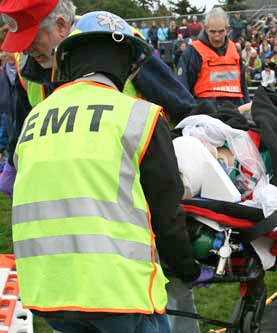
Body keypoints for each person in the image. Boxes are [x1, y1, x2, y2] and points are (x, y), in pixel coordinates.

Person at [11, 11, 211, 333]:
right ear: (129, 65)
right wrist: (187, 269)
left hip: (48, 292)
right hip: (118, 295)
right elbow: (166, 214)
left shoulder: (33, 121)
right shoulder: (140, 117)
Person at [0, 0, 196, 195]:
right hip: (64, 187)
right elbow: (23, 126)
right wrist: (12, 165)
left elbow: (181, 104)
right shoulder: (25, 66)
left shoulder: (121, 45)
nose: (25, 49)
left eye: (32, 39)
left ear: (61, 26)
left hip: (128, 183)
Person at [177, 7, 250, 108]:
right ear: (206, 28)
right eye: (212, 31)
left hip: (236, 109)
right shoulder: (193, 51)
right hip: (206, 112)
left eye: (221, 31)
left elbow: (243, 85)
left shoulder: (235, 50)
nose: (217, 36)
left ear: (227, 28)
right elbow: (183, 87)